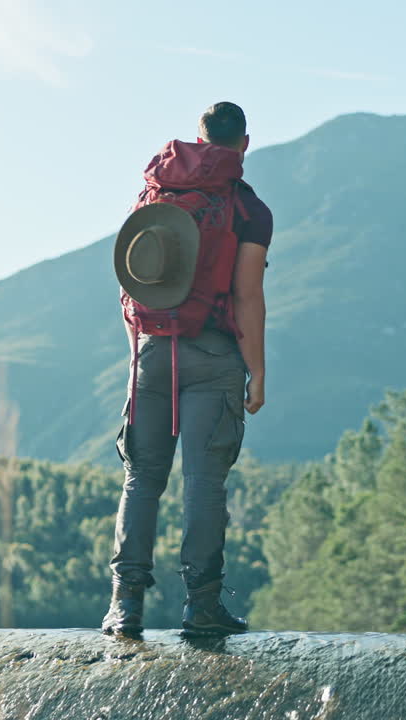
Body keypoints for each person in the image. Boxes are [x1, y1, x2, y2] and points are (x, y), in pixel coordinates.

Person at [103, 101, 272, 637]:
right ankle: (201, 607)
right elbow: (247, 297)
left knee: (141, 479)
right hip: (214, 353)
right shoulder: (248, 209)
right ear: (244, 143)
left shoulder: (153, 192)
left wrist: (139, 349)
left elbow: (130, 280)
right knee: (203, 485)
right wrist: (258, 371)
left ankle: (124, 607)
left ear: (200, 139)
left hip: (151, 350)